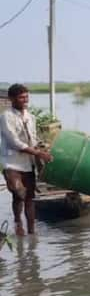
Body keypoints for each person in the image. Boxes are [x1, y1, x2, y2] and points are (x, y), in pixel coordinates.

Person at [0, 84, 53, 236]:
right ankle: (18, 221)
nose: (25, 100)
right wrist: (37, 152)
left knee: (29, 198)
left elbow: (34, 139)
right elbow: (13, 142)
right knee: (18, 193)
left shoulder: (31, 118)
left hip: (28, 164)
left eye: (26, 97)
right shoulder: (6, 117)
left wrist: (42, 150)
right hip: (12, 162)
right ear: (11, 99)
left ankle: (31, 232)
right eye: (21, 97)